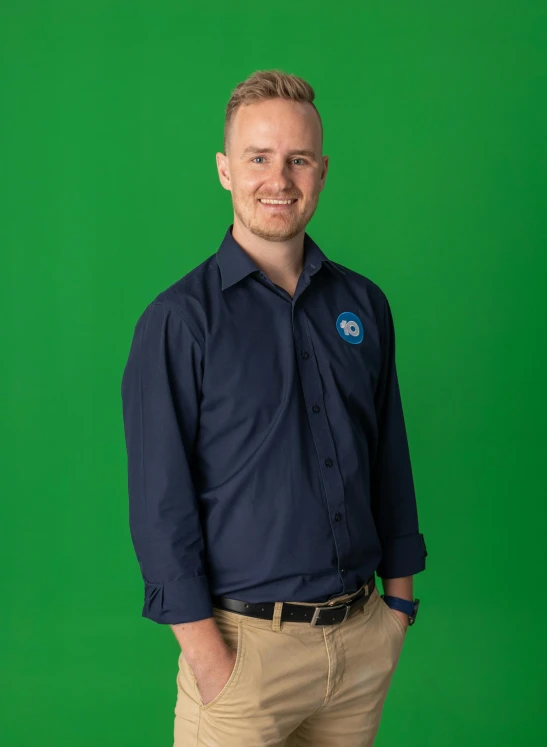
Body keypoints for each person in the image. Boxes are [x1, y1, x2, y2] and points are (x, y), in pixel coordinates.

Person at [120, 68, 428, 747]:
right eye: (258, 158)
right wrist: (209, 660)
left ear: (322, 171)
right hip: (242, 654)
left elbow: (388, 457)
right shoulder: (178, 322)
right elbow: (158, 506)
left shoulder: (363, 305)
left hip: (358, 645)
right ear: (225, 170)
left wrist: (397, 603)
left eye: (297, 160)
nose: (278, 179)